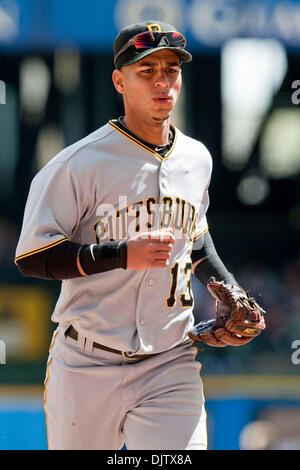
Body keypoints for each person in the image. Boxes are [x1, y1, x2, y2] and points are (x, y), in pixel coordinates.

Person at [15, 20, 254, 450]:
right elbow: (32, 256)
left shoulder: (197, 158)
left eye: (171, 70)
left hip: (170, 361)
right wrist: (122, 253)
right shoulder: (77, 164)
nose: (163, 82)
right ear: (119, 81)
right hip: (87, 360)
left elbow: (195, 239)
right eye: (147, 71)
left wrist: (230, 291)